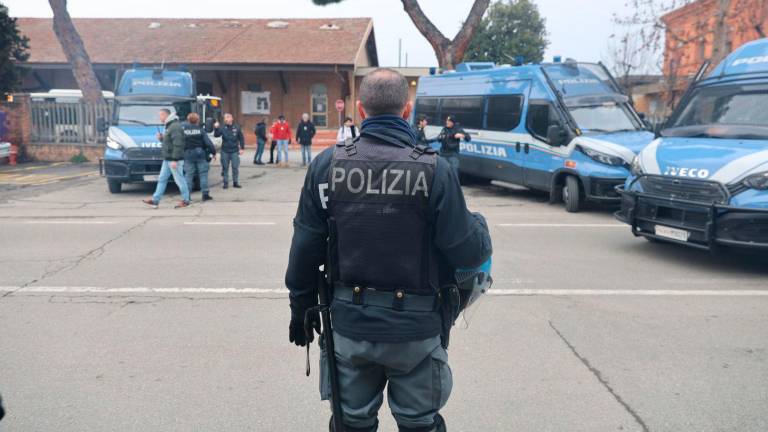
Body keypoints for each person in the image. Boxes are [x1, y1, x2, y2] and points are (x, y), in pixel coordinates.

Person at [285, 68, 492, 432]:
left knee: (351, 424)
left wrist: (299, 307)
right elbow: (468, 254)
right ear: (407, 108)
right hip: (417, 332)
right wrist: (478, 224)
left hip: (349, 327)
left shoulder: (325, 166)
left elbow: (305, 245)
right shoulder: (435, 170)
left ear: (361, 110)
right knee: (419, 425)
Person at [143, 109, 190, 209]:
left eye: (160, 115)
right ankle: (155, 200)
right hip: (168, 159)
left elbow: (178, 144)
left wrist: (175, 159)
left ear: (165, 115)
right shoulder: (169, 126)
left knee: (180, 180)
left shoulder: (174, 126)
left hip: (173, 159)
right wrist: (161, 139)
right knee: (162, 179)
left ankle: (186, 200)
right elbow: (170, 142)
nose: (159, 117)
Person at [182, 112, 216, 202]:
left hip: (188, 155)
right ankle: (205, 194)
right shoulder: (201, 130)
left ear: (188, 120)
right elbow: (208, 143)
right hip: (200, 154)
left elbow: (180, 143)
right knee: (203, 175)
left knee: (188, 175)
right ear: (197, 120)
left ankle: (187, 196)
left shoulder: (183, 130)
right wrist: (214, 152)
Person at [214, 113, 245, 189]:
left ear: (232, 118)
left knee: (235, 167)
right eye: (225, 118)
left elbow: (241, 138)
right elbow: (216, 135)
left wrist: (242, 148)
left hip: (234, 150)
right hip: (225, 150)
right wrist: (216, 128)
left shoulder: (237, 127)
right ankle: (225, 183)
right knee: (225, 167)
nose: (226, 119)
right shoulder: (222, 127)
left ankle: (235, 182)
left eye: (227, 117)